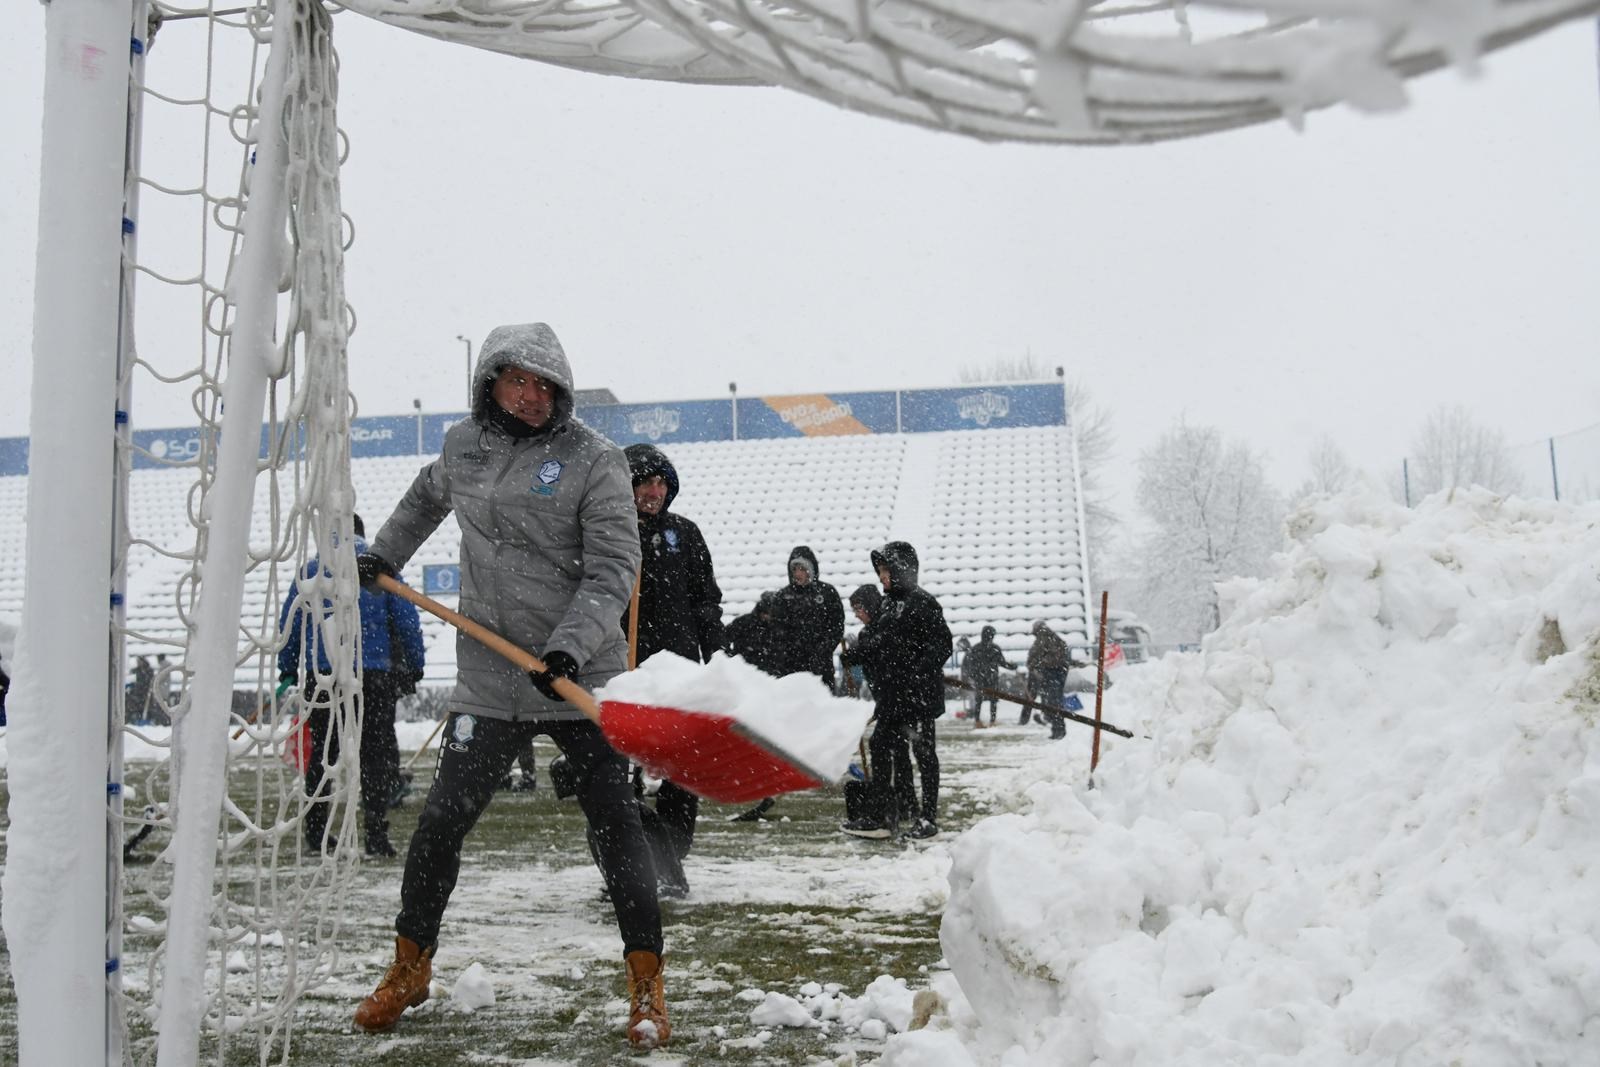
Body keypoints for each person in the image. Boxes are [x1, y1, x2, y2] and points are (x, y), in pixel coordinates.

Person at [348, 323, 667, 1048]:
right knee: (439, 825)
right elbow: (427, 498)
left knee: (616, 827)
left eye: (544, 385)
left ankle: (647, 983)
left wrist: (568, 648)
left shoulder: (596, 459)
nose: (530, 396)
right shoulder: (464, 445)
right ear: (491, 380)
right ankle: (410, 966)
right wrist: (385, 553)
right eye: (517, 380)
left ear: (560, 391)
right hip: (490, 676)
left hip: (576, 672)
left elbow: (614, 568)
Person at [278, 513, 426, 859]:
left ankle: (318, 834)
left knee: (322, 756)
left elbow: (292, 621)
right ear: (361, 534)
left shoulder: (311, 571)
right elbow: (406, 618)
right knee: (375, 755)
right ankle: (375, 832)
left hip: (324, 674)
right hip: (373, 675)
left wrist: (287, 667)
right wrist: (414, 666)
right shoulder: (380, 567)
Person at [617, 442, 724, 898]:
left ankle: (670, 855)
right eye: (644, 482)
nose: (653, 491)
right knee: (620, 773)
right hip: (628, 671)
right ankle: (628, 862)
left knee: (681, 772)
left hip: (679, 669)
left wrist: (716, 653)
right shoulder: (610, 533)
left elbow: (706, 602)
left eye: (660, 482)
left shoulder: (687, 533)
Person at [840, 542, 952, 841]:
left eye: (886, 571)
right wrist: (858, 655)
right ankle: (881, 817)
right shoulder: (889, 605)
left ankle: (927, 818)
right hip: (893, 698)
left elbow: (942, 645)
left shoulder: (923, 603)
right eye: (880, 572)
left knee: (923, 753)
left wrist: (919, 672)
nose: (882, 578)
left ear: (902, 570)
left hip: (918, 697)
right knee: (880, 746)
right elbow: (879, 643)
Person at [772, 545, 844, 691]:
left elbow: (837, 625)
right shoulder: (782, 597)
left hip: (821, 666)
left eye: (802, 569)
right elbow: (777, 631)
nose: (798, 574)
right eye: (795, 569)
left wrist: (822, 649)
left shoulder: (827, 593)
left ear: (811, 570)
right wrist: (790, 652)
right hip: (792, 667)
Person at [1026, 619, 1086, 739]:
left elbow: (1034, 656)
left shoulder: (1042, 639)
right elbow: (1065, 656)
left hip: (1050, 673)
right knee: (1055, 701)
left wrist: (1032, 665)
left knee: (1052, 703)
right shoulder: (1055, 638)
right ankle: (1058, 728)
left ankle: (1057, 730)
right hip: (1059, 673)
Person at [963, 626, 1018, 727]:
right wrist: (1012, 667)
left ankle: (977, 721)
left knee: (978, 700)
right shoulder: (994, 648)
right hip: (992, 677)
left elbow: (970, 664)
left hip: (979, 677)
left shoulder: (976, 648)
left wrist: (974, 675)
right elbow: (1002, 662)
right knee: (993, 700)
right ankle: (992, 721)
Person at [725, 591, 784, 676]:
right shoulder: (744, 623)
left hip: (772, 675)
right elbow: (723, 638)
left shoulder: (780, 627)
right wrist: (731, 658)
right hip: (744, 673)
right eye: (769, 614)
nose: (770, 617)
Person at [128, 655, 155, 724]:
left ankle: (146, 720)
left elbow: (149, 681)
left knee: (146, 707)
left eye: (139, 661)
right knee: (137, 707)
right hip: (137, 693)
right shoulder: (136, 670)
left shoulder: (148, 670)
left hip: (145, 693)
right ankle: (138, 719)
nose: (138, 663)